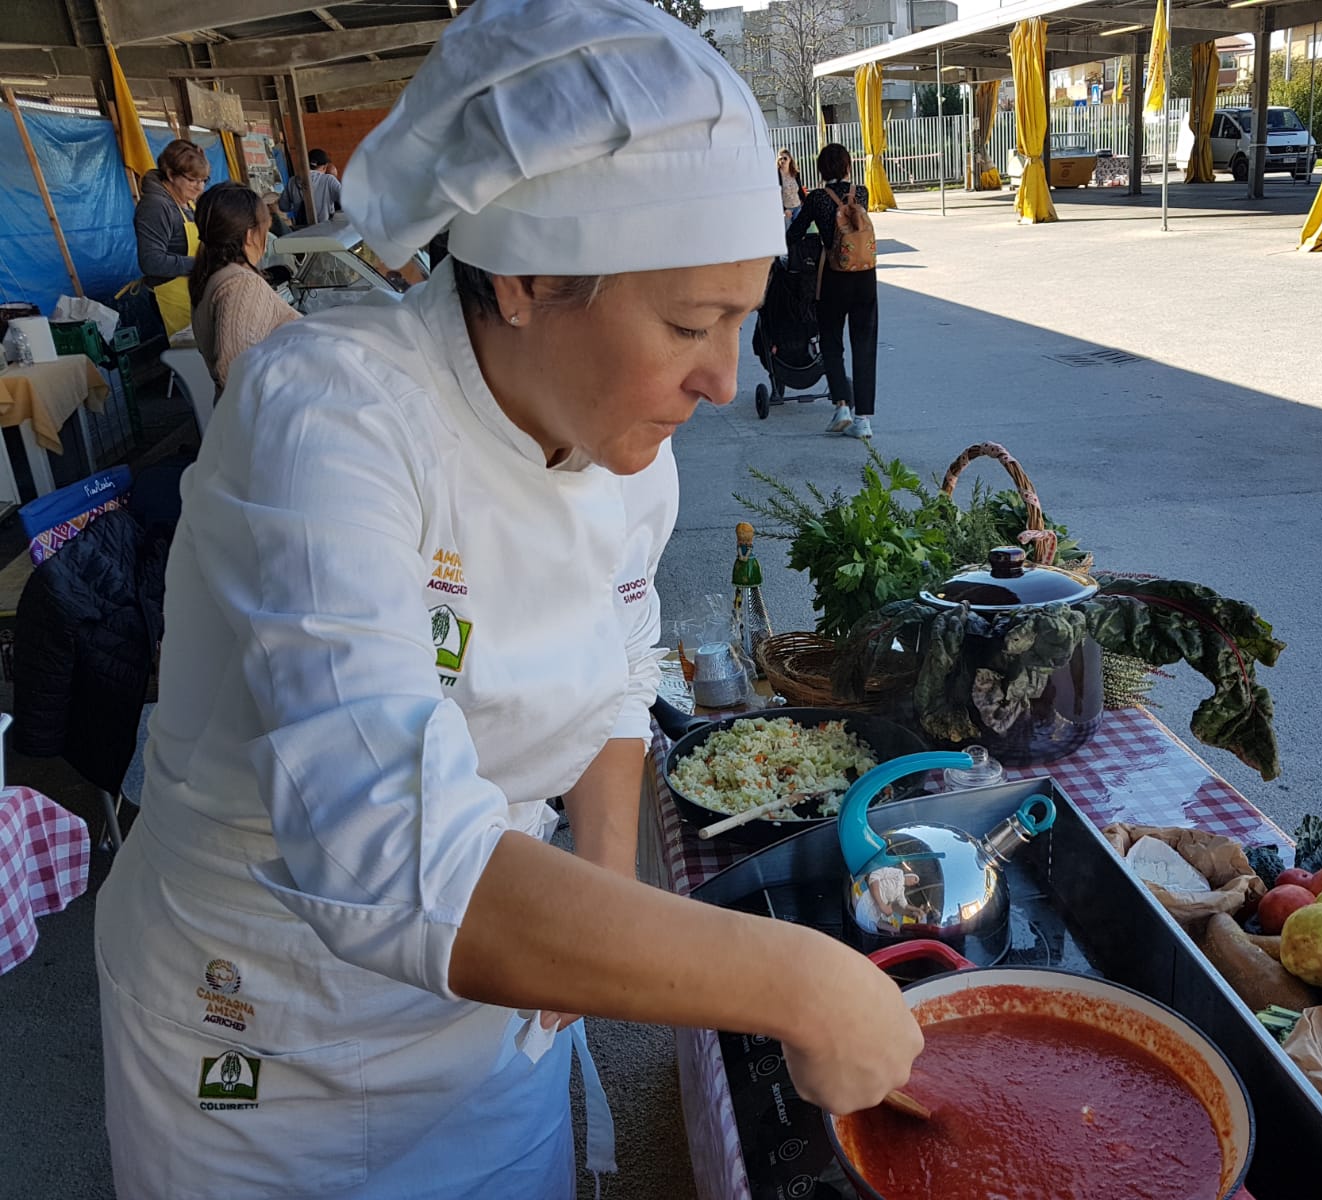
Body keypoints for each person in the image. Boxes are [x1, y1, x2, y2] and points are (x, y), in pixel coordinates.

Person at [93, 3, 922, 1199]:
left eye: (740, 321)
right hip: (269, 1045)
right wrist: (794, 983)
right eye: (691, 324)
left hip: (497, 1013)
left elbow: (622, 673)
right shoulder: (329, 416)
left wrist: (605, 915)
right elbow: (388, 850)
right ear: (528, 278)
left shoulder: (629, 457)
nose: (722, 379)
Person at [787, 143, 878, 439]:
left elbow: (795, 233)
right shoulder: (861, 192)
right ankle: (863, 420)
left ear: (821, 169)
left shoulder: (817, 198)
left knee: (831, 341)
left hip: (833, 278)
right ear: (848, 166)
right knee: (864, 344)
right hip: (865, 276)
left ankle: (842, 406)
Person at [189, 182, 300, 392]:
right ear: (250, 235)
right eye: (266, 229)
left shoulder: (212, 274)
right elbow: (232, 369)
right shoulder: (241, 283)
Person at [135, 138, 210, 335]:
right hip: (169, 298)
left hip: (191, 292)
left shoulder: (187, 202)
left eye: (203, 180)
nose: (200, 187)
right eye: (192, 180)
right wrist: (202, 264)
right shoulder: (155, 207)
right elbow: (151, 262)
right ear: (170, 174)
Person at [282, 148, 343, 226]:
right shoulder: (329, 180)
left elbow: (283, 206)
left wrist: (295, 203)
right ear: (324, 167)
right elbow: (346, 201)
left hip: (301, 229)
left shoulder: (292, 181)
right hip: (324, 228)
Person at [777, 147, 804, 224]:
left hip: (798, 207)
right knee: (788, 230)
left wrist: (806, 204)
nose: (782, 160)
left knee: (798, 230)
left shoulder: (795, 173)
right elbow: (777, 195)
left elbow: (800, 190)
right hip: (786, 211)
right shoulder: (777, 175)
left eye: (785, 158)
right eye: (780, 158)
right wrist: (784, 209)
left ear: (790, 159)